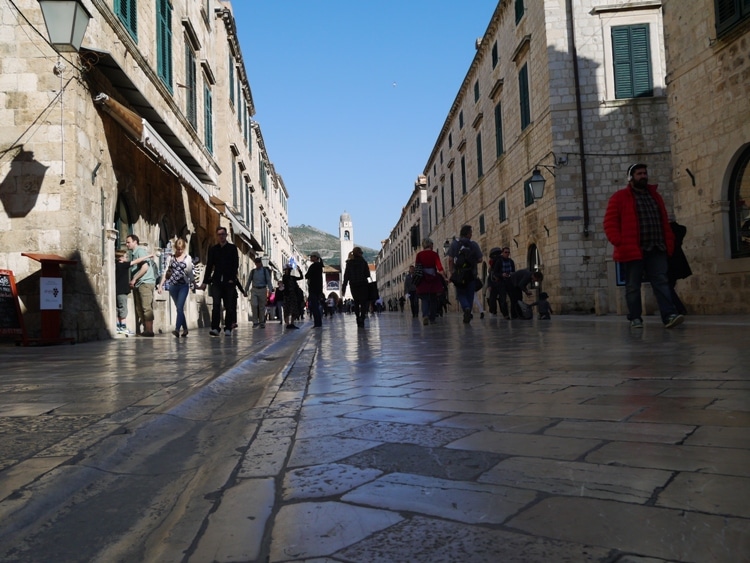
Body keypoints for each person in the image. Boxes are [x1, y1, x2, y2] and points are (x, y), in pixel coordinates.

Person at [604, 163, 684, 329]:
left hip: (656, 247)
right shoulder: (619, 198)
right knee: (633, 286)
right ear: (631, 177)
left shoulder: (655, 197)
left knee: (661, 282)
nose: (643, 176)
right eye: (639, 173)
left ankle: (669, 315)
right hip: (633, 249)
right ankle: (635, 317)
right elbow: (610, 223)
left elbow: (664, 222)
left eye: (645, 173)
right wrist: (619, 241)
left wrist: (668, 241)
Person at [198, 226, 239, 337]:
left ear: (226, 235)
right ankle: (215, 328)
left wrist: (232, 279)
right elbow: (209, 266)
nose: (221, 236)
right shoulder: (213, 250)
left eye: (223, 234)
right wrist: (205, 282)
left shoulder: (232, 248)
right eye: (219, 234)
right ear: (217, 236)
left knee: (229, 306)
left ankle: (228, 327)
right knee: (216, 305)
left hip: (228, 281)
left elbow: (235, 265)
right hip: (216, 281)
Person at [157, 238, 194, 337]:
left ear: (184, 248)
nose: (179, 251)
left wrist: (195, 284)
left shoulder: (188, 258)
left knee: (180, 307)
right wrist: (160, 286)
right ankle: (185, 329)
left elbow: (190, 272)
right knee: (179, 309)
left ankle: (177, 329)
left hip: (183, 286)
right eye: (178, 249)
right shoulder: (170, 258)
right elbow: (165, 272)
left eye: (181, 249)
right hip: (173, 286)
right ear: (175, 248)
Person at [446, 225, 483, 324]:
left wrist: (451, 272)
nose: (471, 234)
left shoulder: (454, 244)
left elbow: (450, 260)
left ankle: (466, 308)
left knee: (461, 294)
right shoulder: (474, 244)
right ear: (467, 234)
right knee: (470, 294)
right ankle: (468, 311)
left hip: (459, 274)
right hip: (471, 274)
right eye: (471, 233)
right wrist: (472, 262)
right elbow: (480, 259)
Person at [114, 249, 152, 336]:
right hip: (122, 291)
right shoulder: (123, 265)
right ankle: (123, 327)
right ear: (121, 258)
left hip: (117, 291)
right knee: (123, 309)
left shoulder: (116, 265)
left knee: (118, 309)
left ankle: (118, 326)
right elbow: (136, 261)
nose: (127, 258)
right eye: (126, 257)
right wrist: (147, 256)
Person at [125, 234, 156, 337]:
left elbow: (145, 267)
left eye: (128, 242)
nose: (126, 244)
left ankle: (149, 330)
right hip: (139, 283)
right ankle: (146, 329)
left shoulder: (140, 251)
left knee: (146, 307)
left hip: (145, 282)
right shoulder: (134, 253)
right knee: (139, 308)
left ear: (135, 242)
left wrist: (134, 279)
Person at [415, 238, 448, 325]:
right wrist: (444, 277)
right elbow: (439, 267)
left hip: (423, 278)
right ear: (430, 245)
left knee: (425, 299)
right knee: (433, 298)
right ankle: (432, 318)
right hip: (433, 278)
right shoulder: (434, 254)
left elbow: (417, 267)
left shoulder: (419, 255)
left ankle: (425, 315)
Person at [341, 246, 371, 328]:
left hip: (353, 285)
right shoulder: (363, 262)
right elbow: (368, 274)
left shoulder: (349, 263)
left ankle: (358, 318)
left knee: (356, 302)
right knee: (363, 303)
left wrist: (343, 288)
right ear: (360, 253)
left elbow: (346, 276)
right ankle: (362, 318)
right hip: (363, 284)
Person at [668, 220, 691, 315]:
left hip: (669, 260)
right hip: (678, 259)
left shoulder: (669, 230)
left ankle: (679, 307)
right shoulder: (681, 229)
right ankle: (676, 307)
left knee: (667, 287)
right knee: (669, 285)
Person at [245, 257, 273, 328]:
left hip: (263, 289)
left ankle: (261, 322)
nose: (257, 265)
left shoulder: (264, 271)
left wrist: (271, 289)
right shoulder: (253, 271)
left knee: (261, 307)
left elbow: (268, 280)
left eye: (258, 263)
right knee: (254, 305)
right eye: (256, 263)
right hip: (254, 289)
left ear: (261, 263)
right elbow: (249, 281)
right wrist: (246, 290)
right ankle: (255, 322)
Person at [490, 247, 516, 319]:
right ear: (502, 253)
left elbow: (513, 271)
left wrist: (511, 274)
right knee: (503, 299)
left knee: (513, 298)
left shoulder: (511, 261)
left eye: (508, 252)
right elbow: (495, 273)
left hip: (510, 282)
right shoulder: (499, 261)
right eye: (506, 252)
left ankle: (513, 314)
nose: (507, 254)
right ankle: (506, 314)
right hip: (502, 282)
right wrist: (502, 274)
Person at [305, 251, 324, 327]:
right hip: (318, 289)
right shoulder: (320, 266)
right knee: (316, 306)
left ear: (316, 257)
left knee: (314, 306)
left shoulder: (314, 266)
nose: (310, 258)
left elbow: (307, 275)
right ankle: (318, 322)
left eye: (312, 256)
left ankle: (317, 323)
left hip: (313, 288)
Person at [282, 263, 303, 329]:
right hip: (287, 295)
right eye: (288, 270)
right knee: (287, 310)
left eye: (290, 270)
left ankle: (292, 323)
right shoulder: (284, 277)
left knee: (294, 310)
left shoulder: (292, 277)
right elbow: (285, 280)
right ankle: (288, 323)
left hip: (293, 295)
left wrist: (299, 271)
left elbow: (301, 277)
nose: (289, 271)